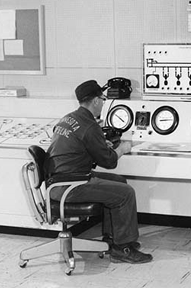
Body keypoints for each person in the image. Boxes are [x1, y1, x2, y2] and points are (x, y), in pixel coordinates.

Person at [45, 79, 153, 264]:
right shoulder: (89, 125)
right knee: (126, 193)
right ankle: (123, 248)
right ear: (95, 101)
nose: (103, 103)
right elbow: (109, 161)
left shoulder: (69, 118)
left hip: (59, 180)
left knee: (119, 182)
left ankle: (113, 239)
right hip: (70, 186)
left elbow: (79, 148)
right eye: (102, 99)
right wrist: (123, 148)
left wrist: (101, 145)